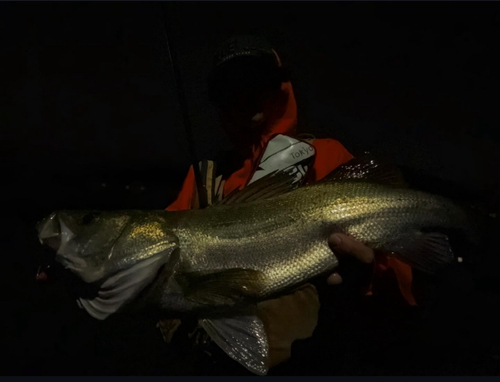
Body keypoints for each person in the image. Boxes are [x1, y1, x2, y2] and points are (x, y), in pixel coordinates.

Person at [161, 35, 416, 372]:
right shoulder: (204, 178)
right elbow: (158, 266)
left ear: (282, 86)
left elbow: (400, 272)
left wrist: (369, 275)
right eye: (230, 86)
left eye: (257, 79)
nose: (245, 92)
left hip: (310, 362)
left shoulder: (327, 158)